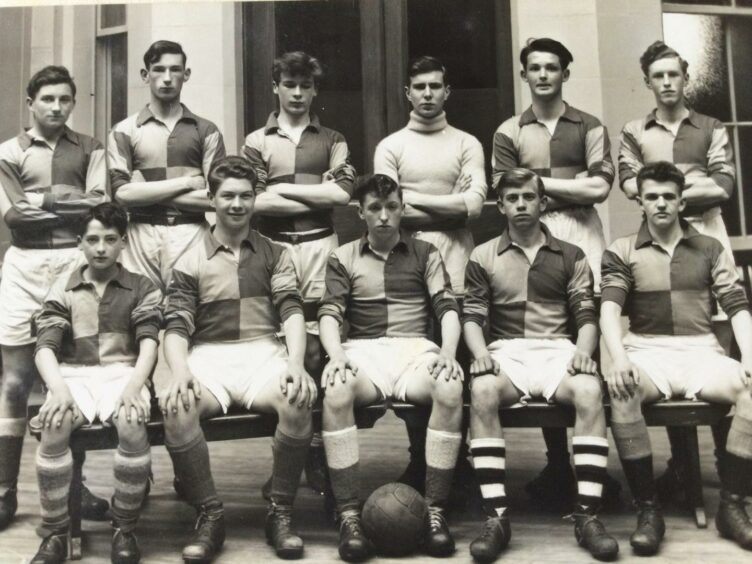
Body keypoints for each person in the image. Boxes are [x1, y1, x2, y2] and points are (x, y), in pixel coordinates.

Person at [161, 156, 316, 562]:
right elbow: (176, 327)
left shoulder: (275, 253)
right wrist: (179, 372)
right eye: (227, 196)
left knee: (297, 398)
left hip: (263, 353)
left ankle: (280, 513)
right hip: (210, 358)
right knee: (177, 407)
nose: (236, 204)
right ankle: (209, 514)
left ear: (255, 199)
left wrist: (295, 364)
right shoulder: (188, 258)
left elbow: (292, 311)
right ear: (210, 199)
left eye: (246, 196)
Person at [464, 168, 618, 563]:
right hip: (507, 351)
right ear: (500, 205)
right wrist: (481, 353)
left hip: (556, 350)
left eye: (528, 197)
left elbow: (586, 314)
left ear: (543, 203)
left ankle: (587, 515)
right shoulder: (482, 255)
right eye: (512, 198)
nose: (520, 205)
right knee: (481, 389)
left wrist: (584, 351)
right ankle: (496, 516)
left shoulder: (572, 254)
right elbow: (472, 316)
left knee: (587, 389)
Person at [601, 161, 752, 555]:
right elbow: (609, 312)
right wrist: (617, 359)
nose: (661, 203)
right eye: (652, 196)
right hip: (648, 352)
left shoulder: (709, 247)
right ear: (641, 201)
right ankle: (648, 509)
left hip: (701, 351)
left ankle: (732, 506)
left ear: (682, 200)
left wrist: (751, 354)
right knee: (622, 390)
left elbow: (737, 307)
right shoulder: (622, 249)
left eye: (669, 196)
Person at [491, 37, 617, 508]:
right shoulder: (508, 131)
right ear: (524, 75)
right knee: (546, 338)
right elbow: (507, 189)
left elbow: (600, 188)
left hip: (583, 234)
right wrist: (570, 187)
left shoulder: (589, 124)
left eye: (552, 67)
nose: (543, 75)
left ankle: (594, 465)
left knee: (589, 335)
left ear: (565, 72)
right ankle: (558, 463)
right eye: (534, 68)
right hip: (534, 236)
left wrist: (538, 185)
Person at [319, 174, 464, 561]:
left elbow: (447, 307)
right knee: (336, 389)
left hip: (414, 350)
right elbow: (330, 314)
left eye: (392, 207)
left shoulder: (426, 252)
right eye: (375, 209)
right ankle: (348, 514)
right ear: (361, 212)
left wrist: (448, 352)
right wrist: (337, 356)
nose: (384, 216)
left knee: (449, 388)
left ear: (402, 209)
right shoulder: (343, 256)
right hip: (363, 350)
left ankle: (435, 511)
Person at [618, 40, 737, 503]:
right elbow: (633, 185)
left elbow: (723, 187)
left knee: (714, 340)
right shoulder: (634, 130)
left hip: (708, 237)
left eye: (674, 75)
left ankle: (728, 470)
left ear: (685, 78)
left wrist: (666, 187)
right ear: (648, 82)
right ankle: (680, 466)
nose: (667, 83)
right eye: (658, 76)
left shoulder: (710, 126)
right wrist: (683, 187)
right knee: (667, 338)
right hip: (662, 238)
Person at [0, 65, 109, 530]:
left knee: (71, 380)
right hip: (24, 267)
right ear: (31, 102)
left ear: (73, 102)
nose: (57, 107)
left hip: (71, 265)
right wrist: (64, 199)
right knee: (15, 383)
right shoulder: (7, 152)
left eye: (65, 99)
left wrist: (39, 200)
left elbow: (101, 206)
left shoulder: (91, 147)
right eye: (47, 99)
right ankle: (4, 491)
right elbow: (13, 217)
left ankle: (72, 489)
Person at [243, 51, 356, 492]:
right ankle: (286, 459)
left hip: (319, 245)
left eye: (304, 86)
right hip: (273, 248)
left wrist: (281, 187)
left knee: (316, 348)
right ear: (276, 86)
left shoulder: (332, 137)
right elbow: (255, 200)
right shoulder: (257, 140)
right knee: (282, 347)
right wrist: (314, 191)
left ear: (314, 90)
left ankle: (319, 458)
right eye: (288, 84)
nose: (296, 92)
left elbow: (343, 194)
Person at [373, 55, 486, 490]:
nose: (426, 94)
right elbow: (389, 207)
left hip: (458, 252)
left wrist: (412, 198)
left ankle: (459, 463)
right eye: (418, 86)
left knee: (454, 355)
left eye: (435, 86)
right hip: (409, 254)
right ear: (407, 92)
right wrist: (445, 202)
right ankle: (421, 460)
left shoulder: (466, 143)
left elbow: (473, 205)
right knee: (417, 354)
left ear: (447, 91)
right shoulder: (391, 145)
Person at [29, 203, 161, 564]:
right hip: (74, 373)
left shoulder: (141, 286)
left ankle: (124, 527)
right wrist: (58, 389)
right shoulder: (66, 286)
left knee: (132, 424)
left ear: (123, 243)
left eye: (109, 239)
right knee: (55, 424)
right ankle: (56, 532)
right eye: (92, 240)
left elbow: (149, 341)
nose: (101, 247)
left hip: (123, 373)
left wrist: (136, 385)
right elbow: (45, 348)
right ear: (80, 243)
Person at [108, 40, 226, 293]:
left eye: (175, 70)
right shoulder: (124, 131)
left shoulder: (206, 130)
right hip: (140, 233)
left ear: (186, 74)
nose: (167, 78)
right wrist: (187, 182)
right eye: (159, 69)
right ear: (145, 75)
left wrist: (145, 191)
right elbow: (122, 195)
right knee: (142, 312)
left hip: (191, 231)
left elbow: (216, 200)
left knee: (187, 312)